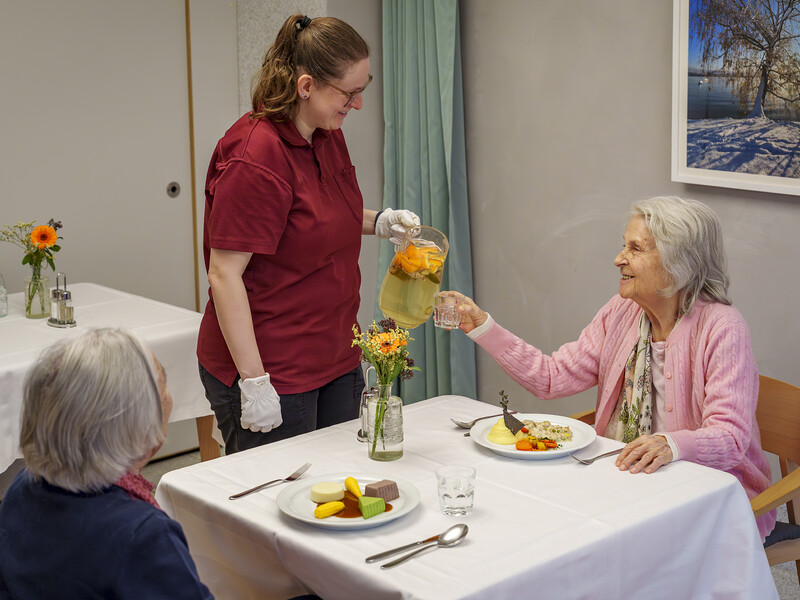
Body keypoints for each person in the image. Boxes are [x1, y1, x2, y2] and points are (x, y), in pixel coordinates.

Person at [446, 196, 775, 540]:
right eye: (624, 246)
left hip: (709, 495)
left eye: (636, 249)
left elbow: (730, 437)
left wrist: (671, 444)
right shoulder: (621, 311)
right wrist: (483, 327)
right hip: (626, 478)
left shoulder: (723, 327)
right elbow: (551, 378)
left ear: (679, 262)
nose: (619, 259)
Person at [197, 14, 419, 454]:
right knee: (282, 490)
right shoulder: (255, 156)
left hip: (335, 354)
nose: (358, 104)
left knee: (341, 479)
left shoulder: (326, 133)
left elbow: (314, 217)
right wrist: (254, 381)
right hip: (273, 368)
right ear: (306, 86)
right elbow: (224, 273)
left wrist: (378, 221)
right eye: (349, 93)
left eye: (363, 88)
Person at [0, 328, 214, 599]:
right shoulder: (143, 533)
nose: (169, 398)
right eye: (162, 387)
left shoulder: (23, 484)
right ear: (134, 426)